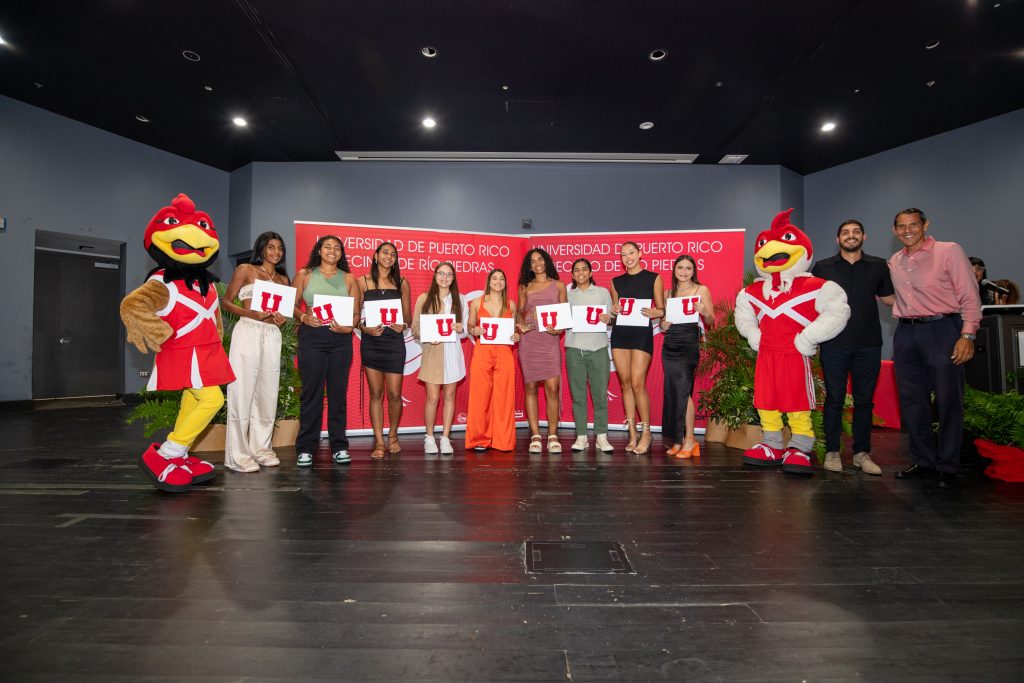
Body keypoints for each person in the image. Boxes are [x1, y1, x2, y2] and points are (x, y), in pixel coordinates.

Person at [889, 208, 982, 488]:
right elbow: (894, 298)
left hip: (942, 330)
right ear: (895, 231)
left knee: (947, 400)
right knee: (912, 402)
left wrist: (967, 335)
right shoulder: (894, 261)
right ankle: (923, 460)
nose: (908, 230)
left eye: (913, 224)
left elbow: (969, 296)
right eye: (902, 226)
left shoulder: (949, 251)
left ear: (925, 225)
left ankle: (948, 465)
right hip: (905, 333)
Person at [811, 220, 895, 476]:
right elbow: (809, 303)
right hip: (833, 344)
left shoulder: (879, 265)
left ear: (864, 236)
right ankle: (833, 451)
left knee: (864, 401)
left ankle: (861, 453)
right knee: (834, 399)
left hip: (868, 343)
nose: (851, 236)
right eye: (845, 233)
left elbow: (890, 299)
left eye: (856, 232)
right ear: (838, 240)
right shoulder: (822, 267)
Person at [221, 231, 290, 473]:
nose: (276, 252)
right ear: (261, 248)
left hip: (272, 335)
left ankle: (261, 448)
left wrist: (280, 320)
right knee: (242, 391)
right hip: (248, 331)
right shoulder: (246, 270)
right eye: (271, 247)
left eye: (280, 248)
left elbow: (283, 314)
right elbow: (226, 301)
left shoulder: (283, 280)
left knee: (267, 394)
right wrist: (250, 313)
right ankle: (237, 455)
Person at [292, 235, 360, 467]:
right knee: (311, 394)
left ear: (341, 253)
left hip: (341, 340)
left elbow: (356, 313)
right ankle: (305, 448)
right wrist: (303, 316)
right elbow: (290, 304)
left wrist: (348, 327)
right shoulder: (305, 275)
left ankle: (339, 446)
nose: (332, 251)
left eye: (337, 248)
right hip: (312, 337)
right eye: (327, 247)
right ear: (319, 251)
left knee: (338, 394)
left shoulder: (350, 279)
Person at [609, 241, 665, 455]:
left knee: (637, 383)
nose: (628, 257)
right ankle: (632, 432)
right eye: (623, 254)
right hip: (620, 334)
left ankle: (646, 433)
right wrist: (613, 311)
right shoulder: (615, 282)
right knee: (624, 383)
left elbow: (661, 309)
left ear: (640, 254)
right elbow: (615, 314)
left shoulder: (654, 278)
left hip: (641, 334)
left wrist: (656, 313)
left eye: (631, 253)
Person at [357, 242, 412, 458]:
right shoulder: (363, 281)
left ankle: (393, 436)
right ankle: (379, 442)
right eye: (385, 253)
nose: (389, 257)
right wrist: (364, 328)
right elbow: (354, 317)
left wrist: (404, 325)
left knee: (395, 394)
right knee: (376, 394)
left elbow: (407, 317)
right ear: (375, 255)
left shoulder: (402, 282)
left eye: (393, 254)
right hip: (372, 342)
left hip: (394, 343)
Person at [659, 255, 714, 459]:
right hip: (670, 345)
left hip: (688, 344)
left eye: (688, 268)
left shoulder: (701, 290)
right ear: (674, 270)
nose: (684, 271)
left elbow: (711, 319)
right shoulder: (668, 293)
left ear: (694, 271)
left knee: (683, 391)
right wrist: (663, 325)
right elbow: (664, 322)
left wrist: (704, 311)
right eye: (680, 267)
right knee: (673, 392)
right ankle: (678, 440)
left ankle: (690, 439)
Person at [517, 248, 569, 454]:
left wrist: (560, 328)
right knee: (530, 389)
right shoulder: (525, 286)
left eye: (540, 259)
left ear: (546, 261)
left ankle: (553, 434)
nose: (537, 263)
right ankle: (536, 434)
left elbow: (564, 313)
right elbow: (520, 314)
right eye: (532, 261)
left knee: (552, 389)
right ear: (529, 266)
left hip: (550, 340)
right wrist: (520, 323)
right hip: (529, 340)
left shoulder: (559, 285)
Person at [412, 262, 466, 455]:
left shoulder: (460, 300)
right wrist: (428, 336)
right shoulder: (424, 299)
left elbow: (465, 330)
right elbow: (415, 328)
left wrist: (462, 328)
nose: (445, 277)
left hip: (452, 353)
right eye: (441, 273)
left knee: (450, 396)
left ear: (453, 278)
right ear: (435, 276)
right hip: (432, 353)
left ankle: (445, 437)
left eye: (449, 274)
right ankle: (429, 437)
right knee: (433, 397)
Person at [465, 269, 521, 451]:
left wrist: (515, 336)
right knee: (480, 397)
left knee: (504, 397)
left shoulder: (511, 305)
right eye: (494, 278)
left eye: (501, 279)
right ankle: (479, 439)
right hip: (482, 351)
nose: (498, 282)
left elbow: (514, 331)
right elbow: (470, 325)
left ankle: (502, 440)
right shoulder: (476, 303)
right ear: (489, 282)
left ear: (505, 283)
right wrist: (474, 331)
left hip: (504, 353)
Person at [565, 258, 614, 453]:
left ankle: (601, 436)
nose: (581, 273)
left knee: (600, 395)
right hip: (575, 350)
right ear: (572, 274)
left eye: (584, 269)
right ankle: (582, 436)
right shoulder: (567, 296)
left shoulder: (602, 293)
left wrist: (607, 318)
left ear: (591, 272)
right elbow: (561, 321)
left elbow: (611, 319)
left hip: (599, 349)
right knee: (578, 396)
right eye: (576, 270)